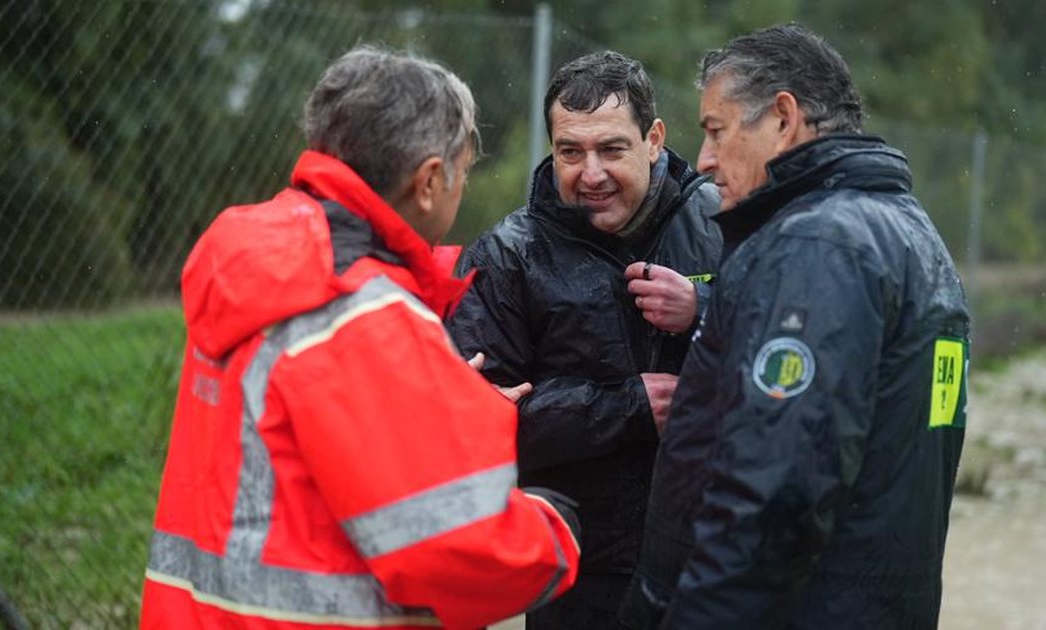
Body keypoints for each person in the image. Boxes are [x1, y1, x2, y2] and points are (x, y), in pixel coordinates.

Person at [140, 45, 581, 630]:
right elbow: (459, 553)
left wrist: (439, 416)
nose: (461, 189)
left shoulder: (267, 271)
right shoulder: (363, 315)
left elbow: (292, 466)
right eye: (464, 171)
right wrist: (553, 529)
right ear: (428, 181)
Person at [619, 24, 971, 629]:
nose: (703, 160)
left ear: (783, 119)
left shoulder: (817, 245)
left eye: (716, 131)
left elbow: (773, 498)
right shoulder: (913, 234)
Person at [446, 51, 722, 628]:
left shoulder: (726, 222)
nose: (590, 173)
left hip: (715, 561)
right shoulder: (508, 257)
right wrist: (627, 406)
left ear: (653, 139)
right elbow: (475, 423)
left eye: (611, 149)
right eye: (570, 151)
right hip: (578, 571)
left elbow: (791, 344)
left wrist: (706, 309)